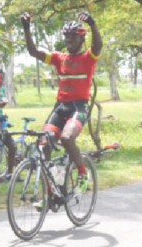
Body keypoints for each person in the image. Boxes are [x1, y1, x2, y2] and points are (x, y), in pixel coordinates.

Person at [21, 11, 102, 192]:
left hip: (79, 107)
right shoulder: (59, 58)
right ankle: (52, 189)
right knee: (44, 144)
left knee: (66, 138)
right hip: (61, 107)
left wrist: (92, 23)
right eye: (66, 36)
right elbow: (33, 51)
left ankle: (82, 173)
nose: (68, 40)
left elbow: (98, 45)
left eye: (73, 37)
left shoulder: (89, 58)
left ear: (82, 39)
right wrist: (26, 28)